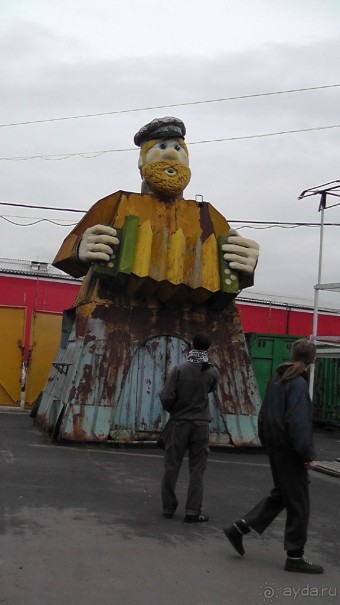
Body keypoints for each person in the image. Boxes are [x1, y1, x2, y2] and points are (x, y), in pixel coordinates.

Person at [34, 116, 260, 445]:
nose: (172, 154)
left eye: (179, 149)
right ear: (142, 163)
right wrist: (81, 247)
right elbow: (69, 253)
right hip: (113, 310)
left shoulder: (208, 216)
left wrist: (247, 265)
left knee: (216, 348)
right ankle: (92, 421)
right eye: (162, 148)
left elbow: (234, 272)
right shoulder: (116, 204)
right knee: (106, 354)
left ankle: (238, 430)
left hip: (200, 317)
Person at [223, 338, 324, 574]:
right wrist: (307, 454)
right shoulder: (298, 384)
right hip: (290, 450)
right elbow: (298, 424)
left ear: (292, 354)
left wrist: (267, 442)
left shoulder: (277, 379)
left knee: (282, 494)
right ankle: (295, 556)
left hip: (276, 448)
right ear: (313, 360)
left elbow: (264, 413)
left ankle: (239, 528)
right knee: (299, 503)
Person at [160, 331, 219, 522]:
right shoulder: (212, 372)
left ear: (192, 345)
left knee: (172, 466)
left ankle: (168, 507)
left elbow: (167, 397)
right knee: (197, 469)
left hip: (179, 423)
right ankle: (193, 511)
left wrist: (174, 410)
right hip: (201, 425)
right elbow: (210, 389)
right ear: (208, 349)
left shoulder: (178, 370)